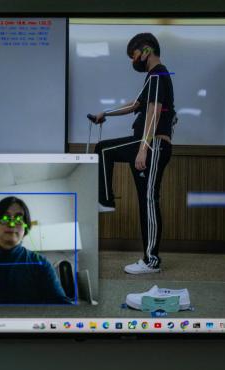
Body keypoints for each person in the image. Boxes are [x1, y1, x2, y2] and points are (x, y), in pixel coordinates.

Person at [90, 32, 175, 275]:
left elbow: (154, 113)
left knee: (149, 201)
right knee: (104, 149)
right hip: (146, 143)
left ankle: (151, 261)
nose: (133, 61)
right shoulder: (152, 78)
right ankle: (105, 199)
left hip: (153, 145)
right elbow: (135, 105)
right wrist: (105, 112)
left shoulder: (159, 74)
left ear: (146, 50)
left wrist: (142, 149)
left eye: (134, 55)